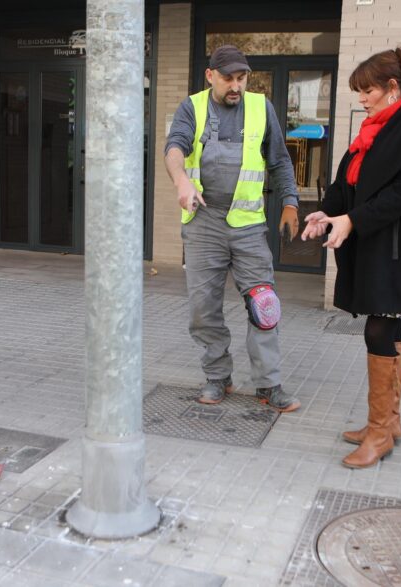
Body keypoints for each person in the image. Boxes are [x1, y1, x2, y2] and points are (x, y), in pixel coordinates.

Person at [301, 44, 401, 468]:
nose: (362, 100)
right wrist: (327, 213)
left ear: (392, 87)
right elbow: (346, 182)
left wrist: (353, 220)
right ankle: (389, 423)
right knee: (389, 330)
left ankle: (380, 432)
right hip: (378, 244)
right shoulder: (374, 129)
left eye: (367, 91)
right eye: (360, 92)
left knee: (379, 331)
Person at [164, 45, 301, 412]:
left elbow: (279, 161)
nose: (236, 86)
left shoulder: (261, 108)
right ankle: (217, 376)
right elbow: (174, 148)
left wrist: (290, 202)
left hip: (248, 225)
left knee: (264, 305)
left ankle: (268, 384)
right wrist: (181, 180)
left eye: (242, 78)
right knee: (203, 308)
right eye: (228, 78)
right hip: (204, 223)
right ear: (211, 76)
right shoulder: (192, 108)